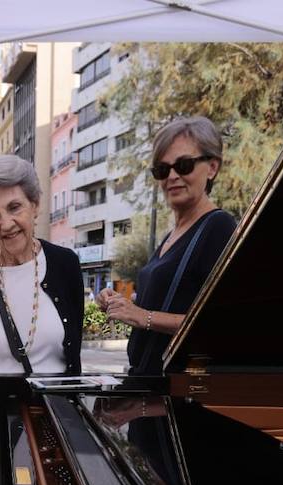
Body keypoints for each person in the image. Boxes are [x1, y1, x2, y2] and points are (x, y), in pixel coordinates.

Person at [0, 154, 85, 451]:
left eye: (14, 207)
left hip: (55, 422)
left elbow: (73, 342)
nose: (6, 224)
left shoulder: (65, 265)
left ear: (34, 205)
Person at [97, 116, 237, 374]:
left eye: (183, 165)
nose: (172, 176)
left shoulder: (218, 228)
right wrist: (121, 303)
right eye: (162, 170)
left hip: (180, 394)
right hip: (149, 386)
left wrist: (141, 316)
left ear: (212, 167)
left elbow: (224, 326)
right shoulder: (172, 235)